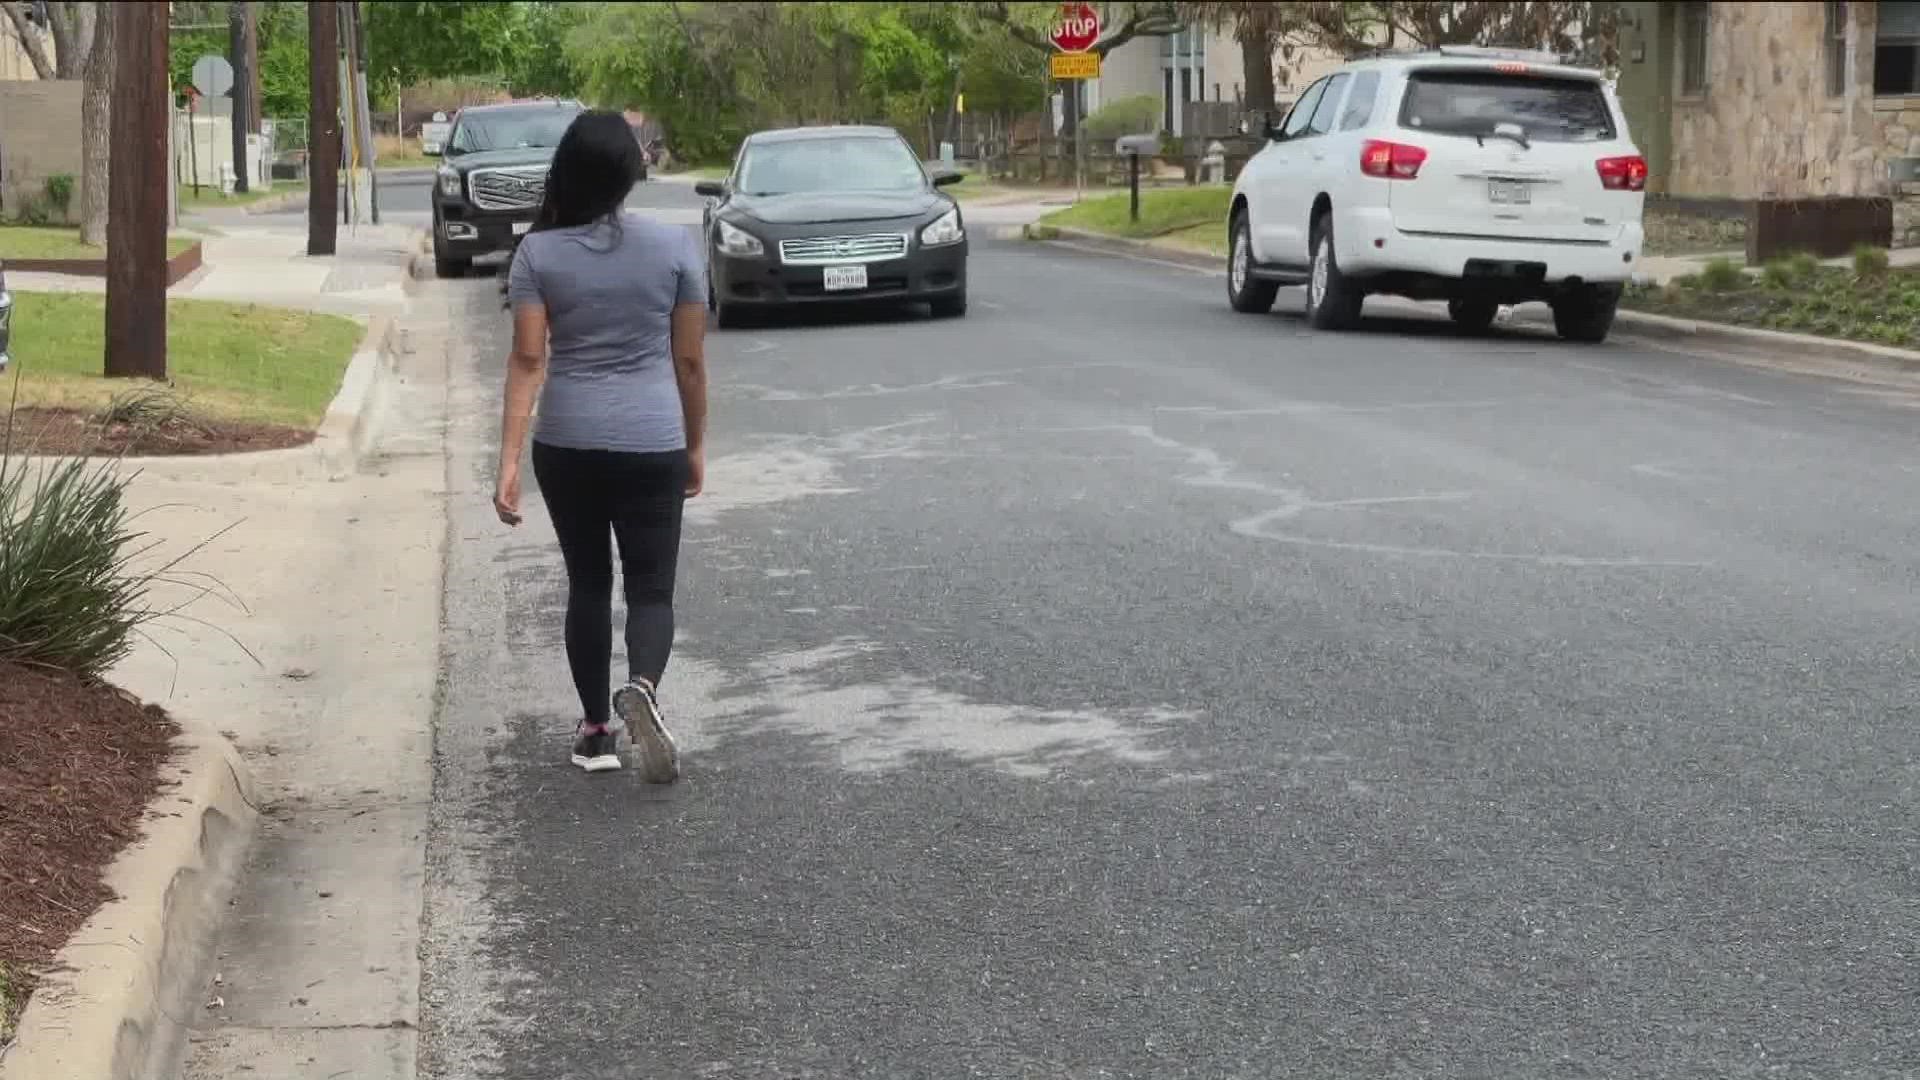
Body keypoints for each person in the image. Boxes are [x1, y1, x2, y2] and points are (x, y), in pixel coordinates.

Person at [492, 110, 708, 782]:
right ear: (629, 173)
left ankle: (595, 732)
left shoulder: (537, 254)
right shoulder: (675, 248)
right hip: (652, 441)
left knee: (589, 581)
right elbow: (690, 363)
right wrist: (694, 446)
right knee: (652, 589)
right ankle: (642, 688)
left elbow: (529, 361)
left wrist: (505, 467)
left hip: (568, 442)